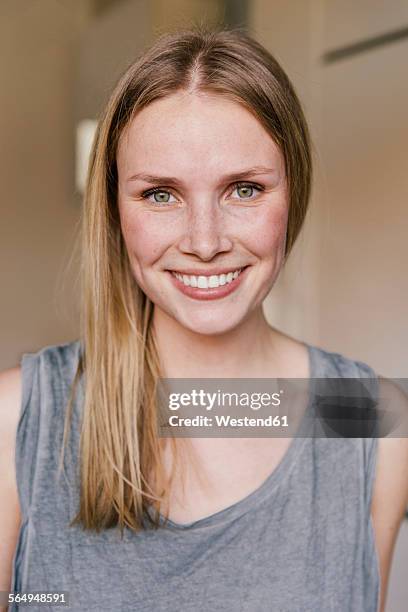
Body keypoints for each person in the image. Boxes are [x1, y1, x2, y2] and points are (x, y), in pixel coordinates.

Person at [0, 25, 407, 612]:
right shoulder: (21, 423)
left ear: (294, 190)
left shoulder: (369, 422)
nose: (205, 241)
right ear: (115, 210)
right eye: (160, 194)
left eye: (243, 188)